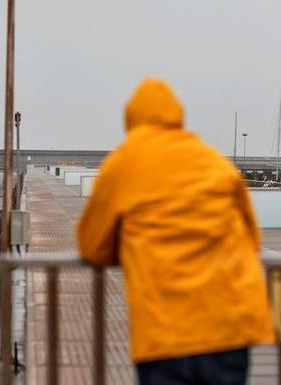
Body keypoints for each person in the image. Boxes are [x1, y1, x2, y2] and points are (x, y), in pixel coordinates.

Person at [77, 78, 274, 385]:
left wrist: (132, 247)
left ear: (131, 119)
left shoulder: (123, 163)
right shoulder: (213, 161)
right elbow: (252, 238)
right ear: (177, 115)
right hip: (230, 326)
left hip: (166, 332)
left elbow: (91, 245)